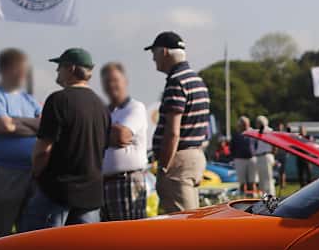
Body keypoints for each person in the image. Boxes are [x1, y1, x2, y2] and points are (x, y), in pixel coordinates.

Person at [24, 48, 109, 229]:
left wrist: (35, 174)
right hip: (91, 194)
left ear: (70, 68)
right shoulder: (101, 106)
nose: (57, 71)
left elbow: (43, 150)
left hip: (58, 192)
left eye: (60, 66)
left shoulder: (58, 100)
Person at [0, 48, 40, 238]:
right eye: (20, 69)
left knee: (29, 234)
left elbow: (43, 125)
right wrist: (30, 126)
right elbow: (4, 126)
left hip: (31, 173)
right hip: (0, 173)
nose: (23, 74)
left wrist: (15, 121)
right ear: (6, 69)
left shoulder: (28, 99)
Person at [146, 31, 212, 212]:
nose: (153, 59)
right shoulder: (197, 80)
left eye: (154, 53)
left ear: (164, 52)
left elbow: (173, 132)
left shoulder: (176, 82)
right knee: (190, 217)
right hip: (195, 155)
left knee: (182, 225)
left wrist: (164, 166)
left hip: (178, 159)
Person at [100, 61, 150, 221]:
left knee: (129, 234)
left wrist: (102, 133)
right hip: (105, 182)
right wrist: (111, 133)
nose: (111, 85)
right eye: (107, 82)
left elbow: (122, 136)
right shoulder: (104, 111)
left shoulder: (135, 108)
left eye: (115, 80)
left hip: (127, 181)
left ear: (125, 81)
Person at [229, 116, 260, 196]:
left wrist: (254, 153)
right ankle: (243, 197)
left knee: (252, 181)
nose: (245, 125)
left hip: (251, 159)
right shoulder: (236, 134)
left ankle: (253, 197)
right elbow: (232, 147)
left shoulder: (253, 133)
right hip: (240, 159)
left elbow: (256, 145)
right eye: (243, 124)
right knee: (242, 182)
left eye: (246, 124)